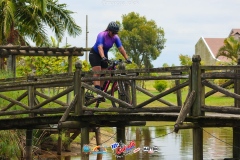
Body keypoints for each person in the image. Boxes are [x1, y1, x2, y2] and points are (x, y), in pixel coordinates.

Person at [89, 21, 132, 98]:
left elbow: (121, 48)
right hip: (95, 54)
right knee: (98, 71)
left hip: (104, 55)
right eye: (113, 33)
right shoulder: (101, 35)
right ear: (108, 30)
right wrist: (102, 57)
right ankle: (98, 92)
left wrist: (127, 58)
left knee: (104, 72)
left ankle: (101, 91)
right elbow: (100, 47)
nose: (114, 34)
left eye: (115, 33)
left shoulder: (115, 37)